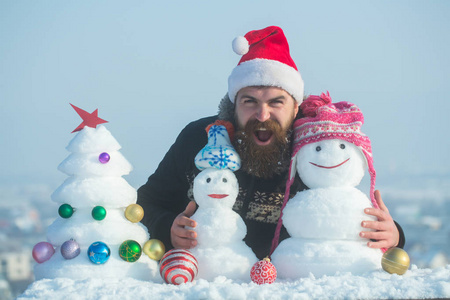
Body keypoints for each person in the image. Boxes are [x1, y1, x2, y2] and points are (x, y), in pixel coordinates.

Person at [137, 26, 405, 260]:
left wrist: (393, 234)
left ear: (296, 107)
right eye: (249, 101)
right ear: (234, 105)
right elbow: (145, 203)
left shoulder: (316, 150)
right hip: (203, 283)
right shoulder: (199, 138)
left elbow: (347, 217)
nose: (262, 115)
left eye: (276, 102)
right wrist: (168, 227)